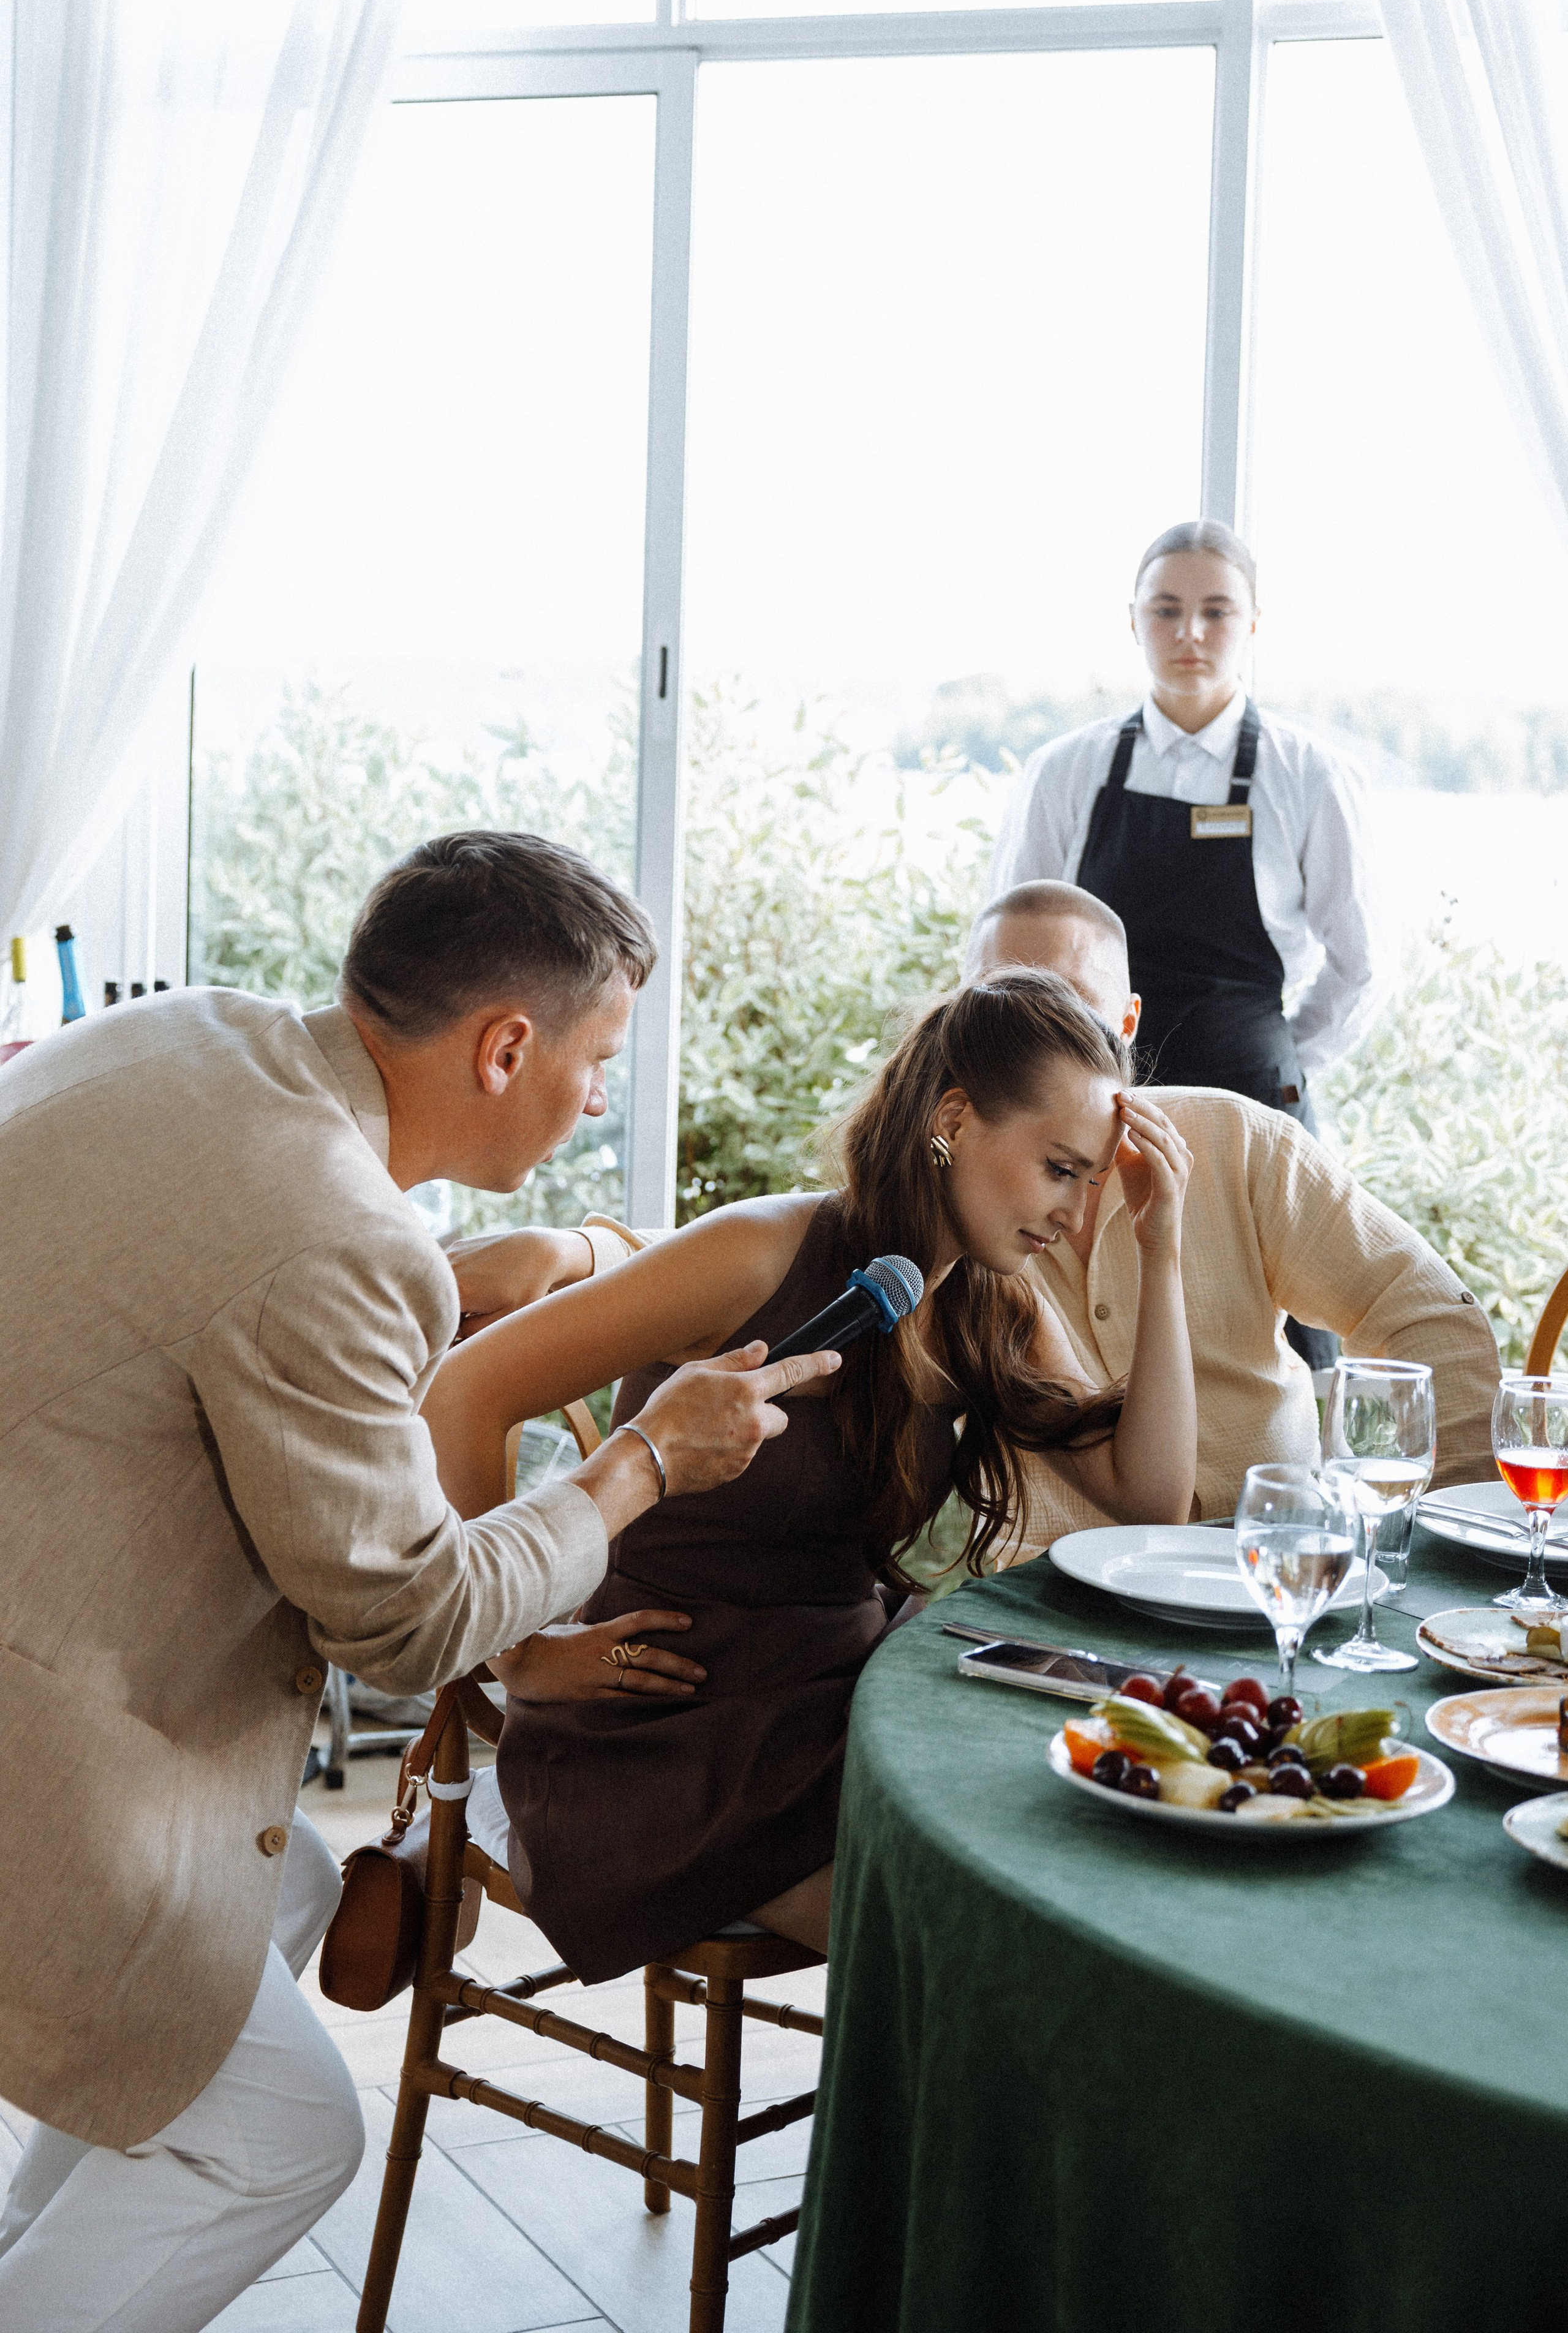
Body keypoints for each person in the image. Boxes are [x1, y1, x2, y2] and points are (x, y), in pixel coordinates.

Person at [0, 830, 838, 2333]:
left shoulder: (190, 1034)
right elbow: (402, 1622)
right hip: (29, 1742)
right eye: (598, 1061)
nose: (598, 1098)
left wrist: (455, 1277)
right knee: (284, 2136)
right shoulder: (332, 1228)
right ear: (506, 1043)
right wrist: (641, 1458)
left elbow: (216, 1279)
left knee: (281, 1885)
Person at [419, 972, 1196, 1972]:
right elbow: (463, 1396)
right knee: (976, 1954)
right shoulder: (760, 1252)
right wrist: (512, 1648)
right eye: (1059, 1168)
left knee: (1081, 1871)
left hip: (844, 1706)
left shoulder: (986, 1304)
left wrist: (1162, 1244)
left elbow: (1152, 1498)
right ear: (954, 1118)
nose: (1073, 1209)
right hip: (665, 1741)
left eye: (1091, 1179)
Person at [959, 880, 1500, 1559]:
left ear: (1127, 1025)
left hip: (1269, 1570)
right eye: (1006, 1007)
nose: (1038, 1041)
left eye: (1070, 1007)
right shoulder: (949, 1201)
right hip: (1049, 1600)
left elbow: (1424, 1312)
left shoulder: (1242, 1142)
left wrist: (1435, 1546)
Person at [987, 519, 1382, 1126]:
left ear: (1252, 621)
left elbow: (1361, 964)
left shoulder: (1313, 777)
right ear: (1132, 619)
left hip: (1254, 1110)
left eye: (1217, 612)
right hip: (1090, 1109)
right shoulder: (1063, 771)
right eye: (1165, 610)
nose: (1189, 634)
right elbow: (1005, 956)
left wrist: (1276, 1057)